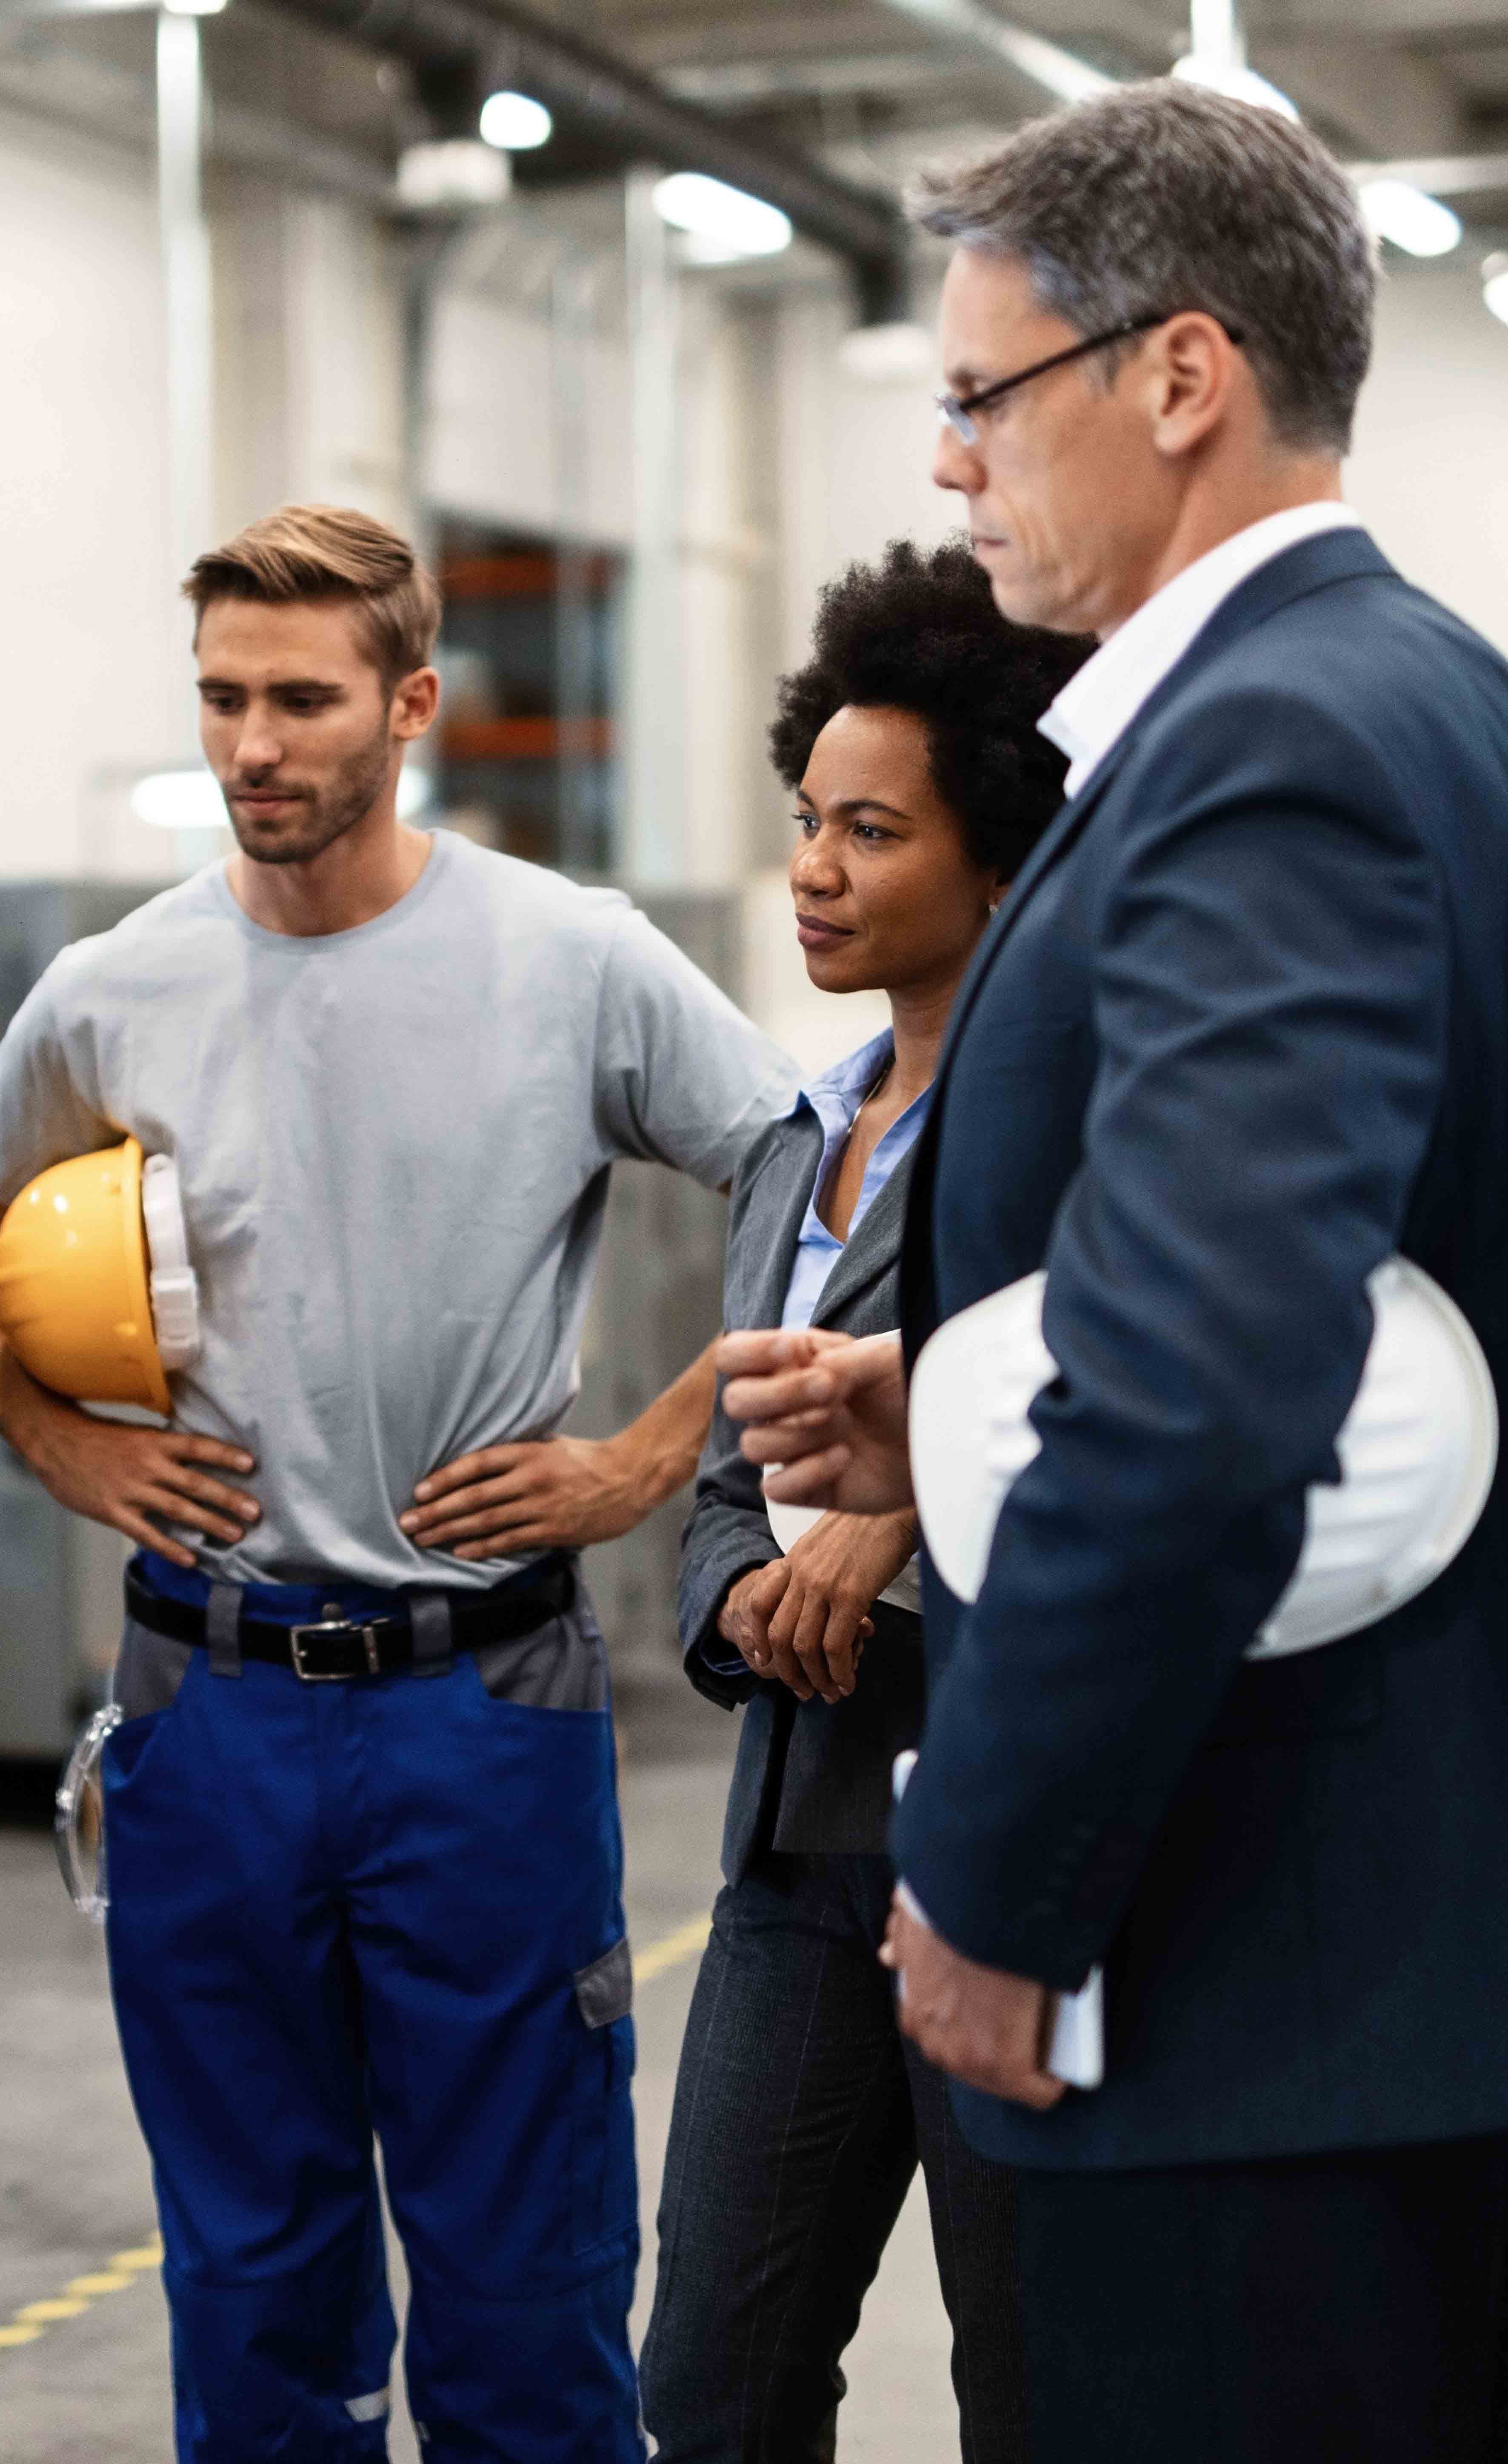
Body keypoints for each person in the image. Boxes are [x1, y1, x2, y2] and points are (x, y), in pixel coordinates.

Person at [716, 83, 1508, 2464]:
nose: (951, 469)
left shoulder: (1273, 749)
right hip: (1376, 1983)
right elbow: (1350, 1302)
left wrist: (1001, 1880)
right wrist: (948, 1405)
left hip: (1259, 1997)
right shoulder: (1424, 700)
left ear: (1180, 381)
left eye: (977, 396)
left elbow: (1197, 1394)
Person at [0, 504, 798, 2463]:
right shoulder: (111, 989)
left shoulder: (566, 958)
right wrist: (59, 1444)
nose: (252, 743)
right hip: (201, 1704)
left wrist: (656, 1453)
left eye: (299, 699)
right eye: (222, 696)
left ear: (406, 705)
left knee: (526, 2278)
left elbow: (802, 1166)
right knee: (252, 2285)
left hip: (480, 1703)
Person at [638, 541, 1088, 2463]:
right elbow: (716, 1461)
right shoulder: (789, 1138)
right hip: (796, 1844)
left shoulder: (1077, 1132)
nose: (812, 865)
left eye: (869, 830)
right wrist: (743, 1587)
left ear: (996, 857)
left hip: (1008, 1832)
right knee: (712, 2381)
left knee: (1041, 2381)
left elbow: (1126, 1418)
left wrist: (892, 1523)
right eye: (805, 819)